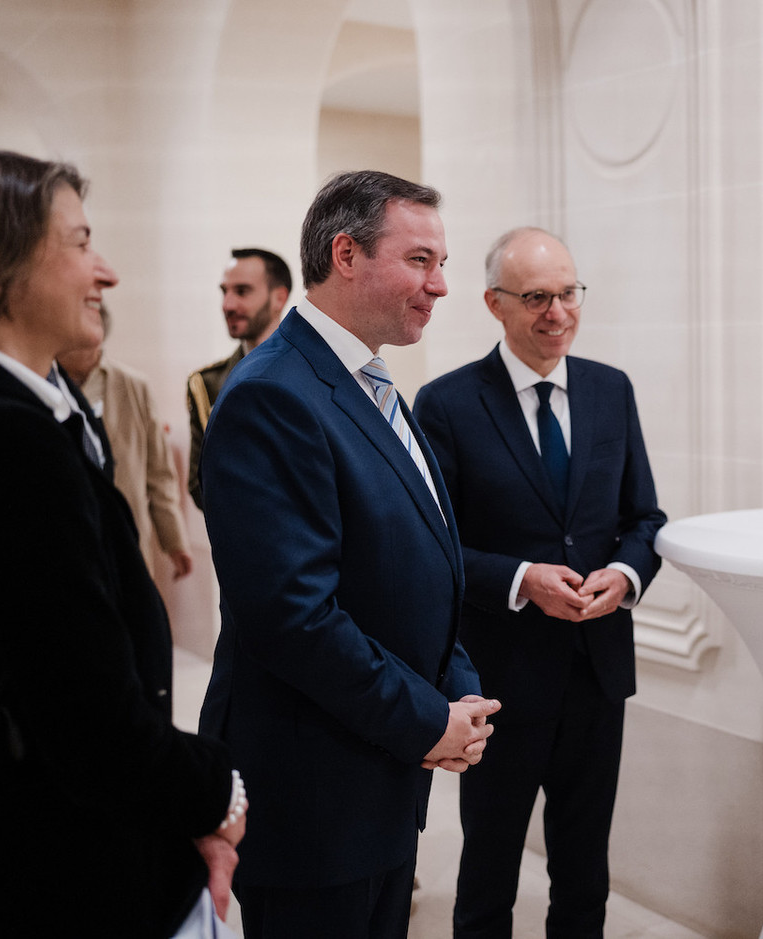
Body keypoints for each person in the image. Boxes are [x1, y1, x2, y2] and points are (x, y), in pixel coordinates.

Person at [0, 147, 245, 937]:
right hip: (48, 870)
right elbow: (86, 718)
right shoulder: (0, 436)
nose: (107, 272)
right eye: (80, 240)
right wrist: (217, 789)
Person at [197, 170, 499, 939]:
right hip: (312, 797)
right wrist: (428, 717)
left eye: (442, 264)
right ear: (347, 254)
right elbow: (293, 617)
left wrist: (457, 689)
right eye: (421, 260)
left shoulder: (366, 379)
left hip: (378, 781)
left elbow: (422, 561)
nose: (440, 286)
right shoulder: (275, 392)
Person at [414, 226, 666, 938]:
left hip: (597, 672)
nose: (557, 313)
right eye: (536, 298)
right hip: (500, 678)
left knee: (584, 871)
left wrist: (624, 573)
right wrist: (523, 578)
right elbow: (435, 546)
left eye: (567, 294)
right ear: (495, 303)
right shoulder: (447, 404)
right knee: (489, 870)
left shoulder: (611, 390)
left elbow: (645, 516)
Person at [60, 303, 195, 579]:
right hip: (66, 536)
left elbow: (159, 474)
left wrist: (175, 541)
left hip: (126, 537)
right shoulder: (41, 383)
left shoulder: (133, 386)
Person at [186, 246, 290, 509]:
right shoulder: (206, 383)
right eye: (225, 292)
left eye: (242, 291)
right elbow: (199, 483)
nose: (228, 305)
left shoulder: (314, 370)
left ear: (279, 298)